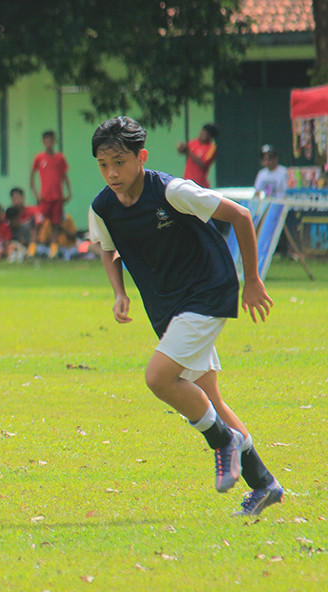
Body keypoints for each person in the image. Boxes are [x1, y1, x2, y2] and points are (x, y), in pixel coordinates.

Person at [88, 116, 284, 516]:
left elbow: (242, 217)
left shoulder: (172, 191)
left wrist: (252, 280)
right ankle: (265, 484)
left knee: (158, 377)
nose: (112, 172)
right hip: (168, 308)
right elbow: (107, 249)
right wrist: (119, 292)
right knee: (210, 398)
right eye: (103, 164)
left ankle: (222, 442)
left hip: (207, 292)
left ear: (141, 157)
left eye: (120, 162)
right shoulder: (103, 206)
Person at [30, 130, 72, 258]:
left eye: (51, 139)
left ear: (55, 141)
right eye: (46, 140)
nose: (49, 142)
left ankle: (52, 252)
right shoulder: (39, 158)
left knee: (55, 224)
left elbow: (65, 176)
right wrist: (36, 194)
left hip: (57, 197)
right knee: (38, 223)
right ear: (43, 142)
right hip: (44, 198)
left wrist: (68, 192)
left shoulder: (60, 158)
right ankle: (31, 249)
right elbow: (32, 177)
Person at [177, 123, 219, 188]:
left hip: (200, 185)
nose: (202, 134)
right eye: (202, 131)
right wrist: (180, 148)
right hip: (187, 182)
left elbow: (203, 165)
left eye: (206, 134)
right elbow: (183, 150)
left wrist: (188, 152)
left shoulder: (211, 148)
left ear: (210, 137)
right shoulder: (194, 142)